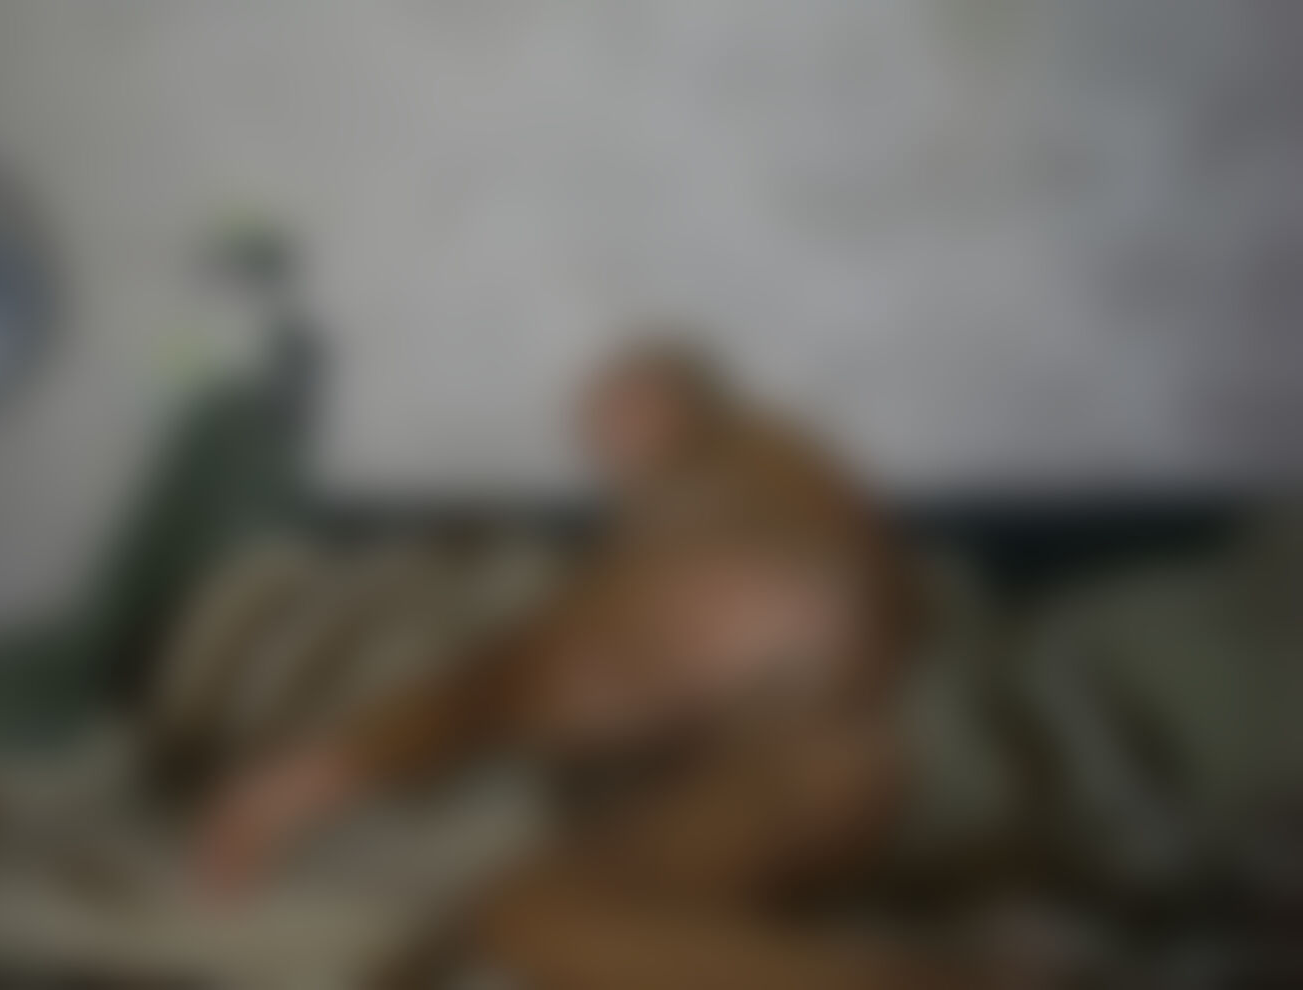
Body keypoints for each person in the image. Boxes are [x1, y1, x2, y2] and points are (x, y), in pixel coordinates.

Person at [195, 337, 951, 987]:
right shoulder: (757, 489)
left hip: (799, 766)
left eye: (622, 407)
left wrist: (308, 780)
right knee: (529, 917)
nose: (603, 437)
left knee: (534, 916)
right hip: (790, 780)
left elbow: (512, 682)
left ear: (682, 404)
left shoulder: (730, 481)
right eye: (596, 418)